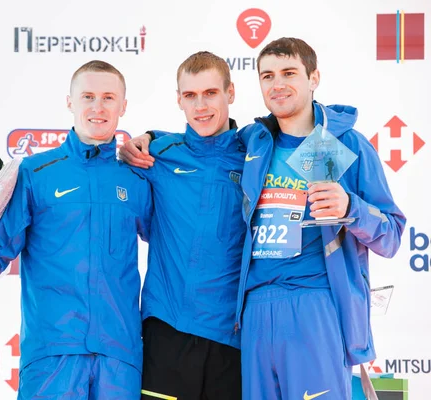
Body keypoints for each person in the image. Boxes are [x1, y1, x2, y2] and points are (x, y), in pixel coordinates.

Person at [0, 60, 152, 399]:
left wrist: (154, 137)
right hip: (52, 355)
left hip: (119, 358)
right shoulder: (36, 173)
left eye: (108, 97)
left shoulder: (137, 179)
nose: (97, 107)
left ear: (123, 105)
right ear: (69, 102)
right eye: (88, 96)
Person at [235, 37, 406, 399]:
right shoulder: (253, 142)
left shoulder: (342, 144)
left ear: (314, 78)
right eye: (267, 76)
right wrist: (150, 138)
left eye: (289, 73)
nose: (277, 84)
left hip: (315, 303)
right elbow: (205, 145)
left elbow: (391, 235)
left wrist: (350, 208)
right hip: (255, 309)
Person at [122, 51, 244, 399]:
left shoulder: (253, 155)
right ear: (178, 100)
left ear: (230, 93)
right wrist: (142, 138)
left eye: (210, 93)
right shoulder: (158, 153)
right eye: (190, 95)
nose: (200, 106)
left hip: (230, 336)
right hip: (166, 330)